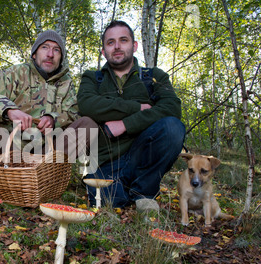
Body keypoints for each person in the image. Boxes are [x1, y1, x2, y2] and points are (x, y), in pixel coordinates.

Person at [77, 20, 185, 211]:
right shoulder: (92, 78)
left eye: (123, 40)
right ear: (103, 51)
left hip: (141, 154)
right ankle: (126, 192)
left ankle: (145, 195)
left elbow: (172, 108)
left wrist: (125, 124)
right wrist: (137, 107)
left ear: (134, 46)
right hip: (106, 162)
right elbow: (87, 106)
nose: (117, 46)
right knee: (109, 203)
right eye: (110, 42)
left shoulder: (154, 77)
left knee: (172, 127)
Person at [0, 30, 97, 171]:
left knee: (88, 125)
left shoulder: (66, 83)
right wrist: (9, 110)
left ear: (60, 58)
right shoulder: (15, 73)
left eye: (56, 50)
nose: (50, 54)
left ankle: (45, 179)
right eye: (45, 47)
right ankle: (2, 175)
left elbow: (73, 113)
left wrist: (53, 119)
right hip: (8, 149)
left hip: (47, 155)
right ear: (34, 54)